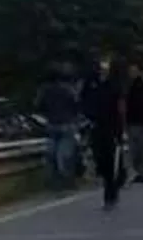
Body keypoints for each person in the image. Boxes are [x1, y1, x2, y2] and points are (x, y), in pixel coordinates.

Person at [82, 57, 125, 210]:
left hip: (112, 127)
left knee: (111, 161)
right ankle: (110, 182)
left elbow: (120, 109)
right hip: (96, 127)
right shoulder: (91, 84)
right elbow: (83, 102)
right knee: (100, 159)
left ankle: (111, 193)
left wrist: (120, 131)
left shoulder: (115, 85)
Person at [34, 61, 82, 190]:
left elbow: (38, 106)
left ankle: (55, 181)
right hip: (67, 124)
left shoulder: (43, 90)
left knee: (52, 154)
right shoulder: (68, 89)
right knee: (65, 154)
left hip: (51, 125)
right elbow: (76, 105)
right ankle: (68, 180)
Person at [123, 62, 143, 185]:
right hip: (138, 120)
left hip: (137, 121)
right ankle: (142, 173)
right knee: (140, 149)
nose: (132, 73)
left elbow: (142, 104)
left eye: (134, 71)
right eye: (131, 71)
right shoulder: (136, 86)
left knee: (136, 149)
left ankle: (140, 172)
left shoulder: (136, 87)